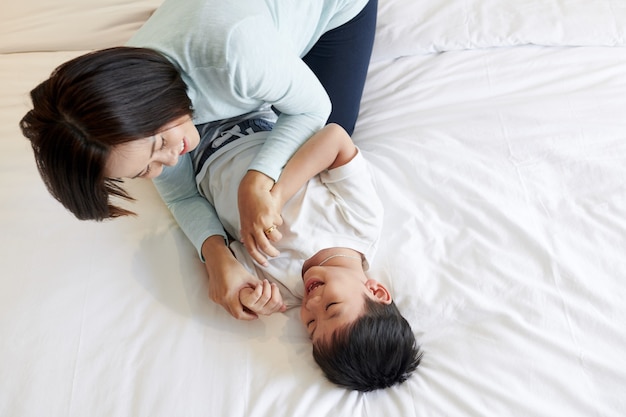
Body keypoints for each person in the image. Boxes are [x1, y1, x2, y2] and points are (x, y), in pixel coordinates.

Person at [18, 0, 378, 320]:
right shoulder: (126, 113)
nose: (169, 162)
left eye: (160, 144)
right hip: (230, 36)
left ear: (152, 104)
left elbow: (314, 109)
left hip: (326, 11)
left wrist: (260, 181)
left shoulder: (235, 56)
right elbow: (181, 195)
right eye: (145, 170)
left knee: (327, 130)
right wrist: (216, 257)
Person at [162, 109, 422, 391]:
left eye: (311, 325)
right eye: (331, 307)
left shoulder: (280, 289)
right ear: (377, 291)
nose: (311, 304)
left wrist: (244, 293)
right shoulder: (361, 224)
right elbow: (335, 139)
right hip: (249, 114)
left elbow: (220, 257)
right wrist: (274, 197)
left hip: (193, 152)